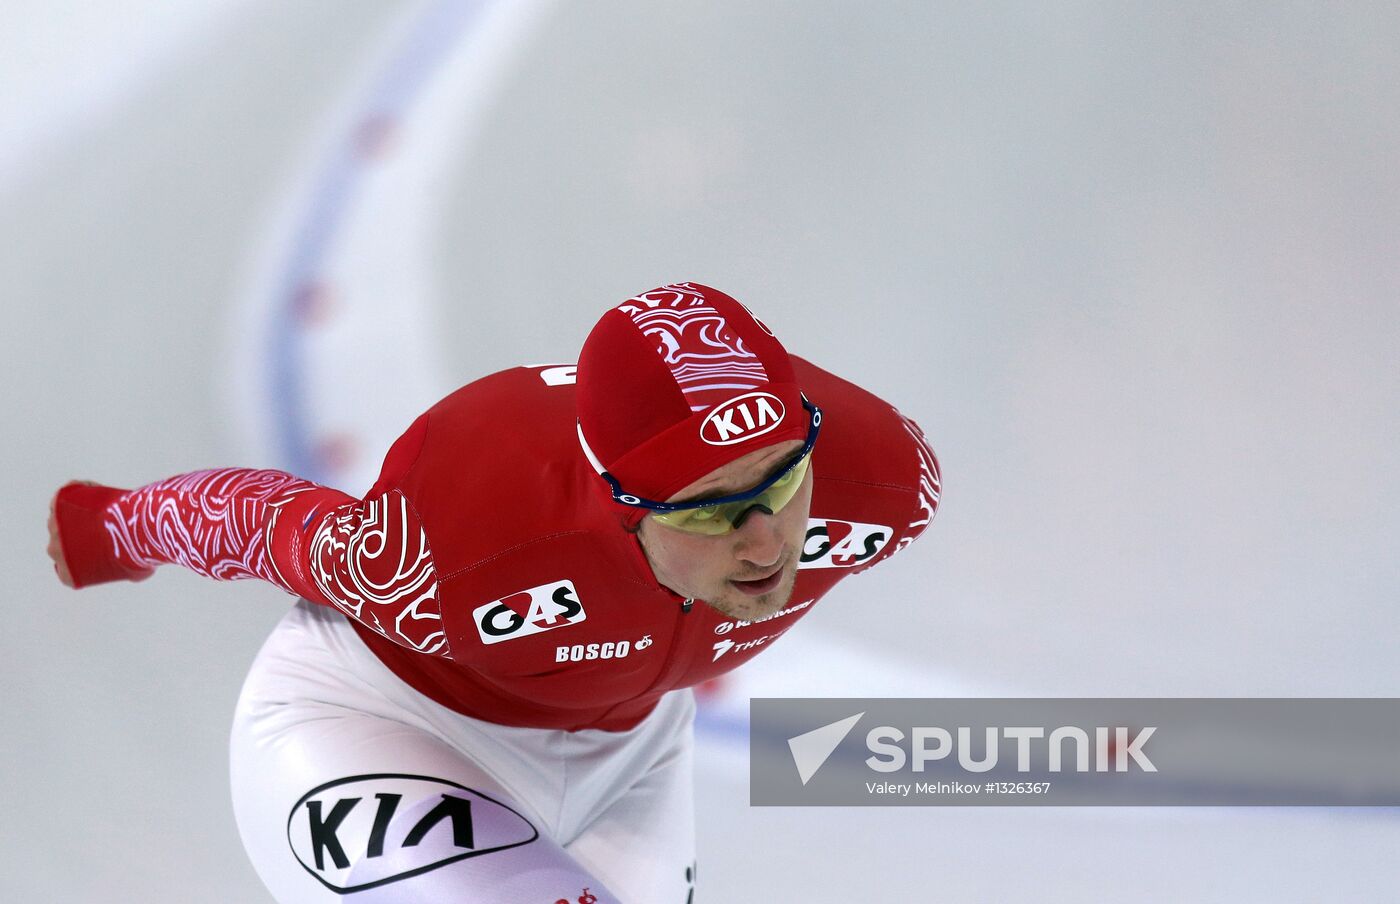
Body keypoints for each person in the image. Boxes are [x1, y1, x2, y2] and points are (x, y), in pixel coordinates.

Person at [48, 282, 940, 902]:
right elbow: (256, 523)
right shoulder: (453, 552)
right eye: (710, 513)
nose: (764, 540)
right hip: (388, 726)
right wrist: (108, 528)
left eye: (782, 482)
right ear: (616, 504)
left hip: (626, 753)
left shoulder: (887, 484)